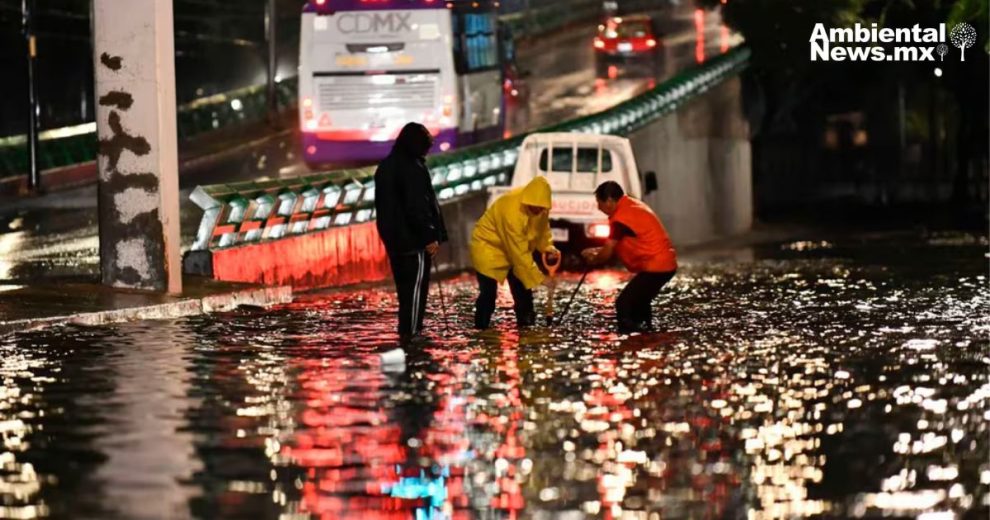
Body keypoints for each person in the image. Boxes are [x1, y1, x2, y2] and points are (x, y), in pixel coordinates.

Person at [374, 122, 448, 341]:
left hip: (394, 242)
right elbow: (417, 207)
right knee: (416, 292)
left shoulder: (386, 166)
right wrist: (429, 236)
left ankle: (406, 331)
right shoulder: (412, 168)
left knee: (404, 293)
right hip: (414, 242)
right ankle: (412, 334)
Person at [581, 181, 677, 333]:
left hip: (656, 266)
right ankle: (646, 335)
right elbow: (617, 244)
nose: (599, 208)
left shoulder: (620, 219)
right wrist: (596, 251)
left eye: (599, 203)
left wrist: (595, 259)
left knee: (624, 304)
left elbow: (606, 254)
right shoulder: (631, 207)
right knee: (640, 301)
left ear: (610, 201)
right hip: (664, 264)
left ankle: (629, 338)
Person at [470, 176, 560, 329]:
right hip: (488, 248)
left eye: (541, 208)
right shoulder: (511, 211)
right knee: (488, 295)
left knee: (524, 293)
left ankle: (527, 329)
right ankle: (481, 329)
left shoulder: (541, 208)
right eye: (534, 207)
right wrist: (541, 279)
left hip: (514, 251)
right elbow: (519, 254)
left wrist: (548, 248)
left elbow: (542, 231)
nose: (538, 210)